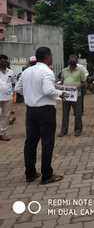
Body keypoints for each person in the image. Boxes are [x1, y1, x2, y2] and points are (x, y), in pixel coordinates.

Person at [15, 47, 65, 184]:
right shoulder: (47, 71)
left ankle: (30, 173)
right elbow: (48, 90)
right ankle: (47, 175)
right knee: (47, 142)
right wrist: (61, 93)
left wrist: (31, 95)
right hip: (45, 111)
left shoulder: (26, 72)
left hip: (31, 111)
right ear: (47, 57)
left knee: (30, 142)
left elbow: (17, 89)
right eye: (51, 56)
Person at [59, 55, 87, 137]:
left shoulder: (80, 71)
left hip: (77, 95)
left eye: (74, 63)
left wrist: (78, 86)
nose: (72, 65)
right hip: (66, 95)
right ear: (69, 63)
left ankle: (78, 130)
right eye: (71, 63)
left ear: (76, 63)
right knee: (65, 113)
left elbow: (84, 82)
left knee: (78, 113)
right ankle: (64, 131)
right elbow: (62, 81)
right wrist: (60, 86)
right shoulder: (64, 71)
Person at [0, 55, 15, 141]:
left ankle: (2, 133)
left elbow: (14, 82)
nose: (4, 63)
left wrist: (11, 91)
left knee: (6, 116)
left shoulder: (11, 72)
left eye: (5, 61)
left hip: (8, 97)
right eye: (2, 61)